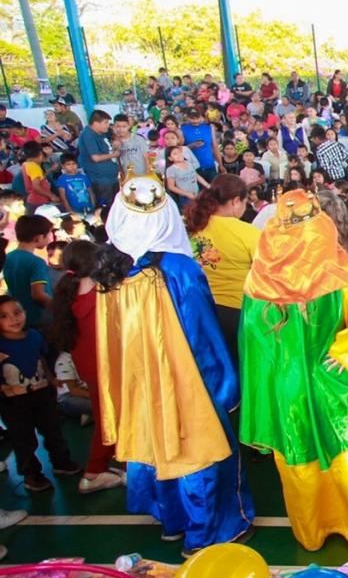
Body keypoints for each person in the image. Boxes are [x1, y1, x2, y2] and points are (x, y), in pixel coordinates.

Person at [93, 172, 255, 554]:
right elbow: (202, 337)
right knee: (197, 449)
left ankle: (172, 520)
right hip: (183, 379)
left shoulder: (110, 271)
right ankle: (205, 533)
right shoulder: (179, 271)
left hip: (139, 380)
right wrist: (224, 386)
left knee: (156, 445)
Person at [238, 189, 348, 550]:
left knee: (300, 461)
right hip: (335, 383)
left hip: (288, 386)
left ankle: (311, 533)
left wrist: (271, 382)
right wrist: (345, 351)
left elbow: (254, 344)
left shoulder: (259, 284)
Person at [48, 239, 124, 494]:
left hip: (90, 368)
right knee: (110, 420)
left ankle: (108, 464)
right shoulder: (101, 296)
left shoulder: (68, 294)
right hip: (108, 367)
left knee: (108, 416)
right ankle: (93, 472)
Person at [0, 295, 83, 492]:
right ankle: (32, 474)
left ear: (25, 313)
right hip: (14, 402)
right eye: (4, 316)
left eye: (17, 312)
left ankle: (62, 462)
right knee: (23, 439)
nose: (13, 319)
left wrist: (51, 379)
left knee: (53, 429)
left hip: (42, 394)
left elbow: (42, 360)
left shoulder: (35, 336)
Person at [184, 174, 260, 370]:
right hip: (239, 312)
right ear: (236, 201)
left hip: (202, 310)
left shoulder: (194, 227)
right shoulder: (248, 232)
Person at [4, 215, 54, 329]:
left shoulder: (8, 257)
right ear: (38, 238)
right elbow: (38, 295)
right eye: (48, 234)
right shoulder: (36, 262)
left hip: (19, 316)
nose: (50, 238)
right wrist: (60, 309)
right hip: (39, 318)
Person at [76, 109, 120, 209]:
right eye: (105, 122)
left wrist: (115, 141)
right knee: (106, 208)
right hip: (101, 180)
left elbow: (113, 136)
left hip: (110, 178)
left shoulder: (100, 133)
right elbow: (95, 157)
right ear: (96, 123)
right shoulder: (88, 135)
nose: (108, 125)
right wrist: (113, 155)